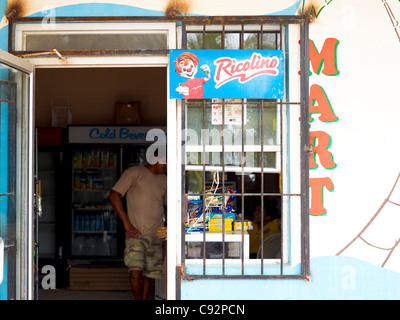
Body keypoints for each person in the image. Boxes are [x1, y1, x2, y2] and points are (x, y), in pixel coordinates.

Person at [108, 152, 167, 300]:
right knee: (135, 271)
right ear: (155, 158)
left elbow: (167, 205)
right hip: (136, 233)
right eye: (164, 161)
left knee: (149, 274)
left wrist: (167, 225)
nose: (166, 165)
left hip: (157, 233)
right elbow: (114, 195)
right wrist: (127, 224)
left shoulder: (164, 179)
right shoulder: (134, 172)